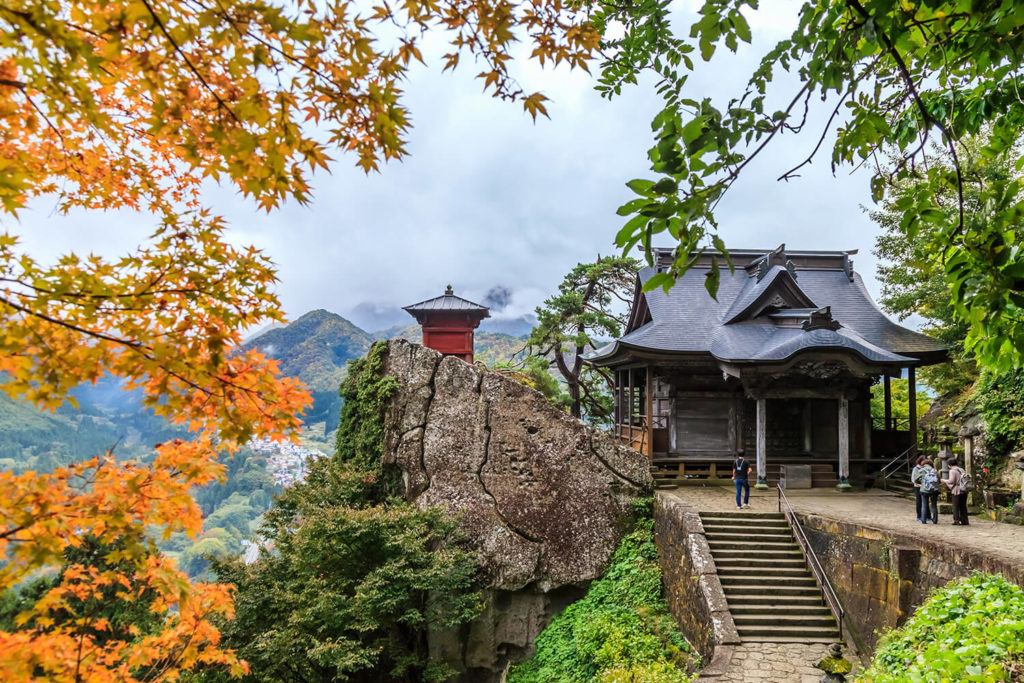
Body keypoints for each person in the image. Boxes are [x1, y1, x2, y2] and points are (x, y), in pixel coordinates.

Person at [942, 457, 970, 526]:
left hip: (957, 490)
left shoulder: (952, 471)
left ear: (950, 464)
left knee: (956, 506)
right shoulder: (961, 469)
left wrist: (944, 480)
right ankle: (965, 520)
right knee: (963, 506)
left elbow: (951, 481)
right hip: (964, 490)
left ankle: (956, 520)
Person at [914, 459, 940, 524]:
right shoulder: (935, 471)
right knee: (934, 505)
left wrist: (922, 482)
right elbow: (939, 480)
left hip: (924, 490)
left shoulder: (921, 470)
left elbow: (915, 479)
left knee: (924, 505)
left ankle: (923, 520)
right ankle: (935, 520)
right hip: (934, 490)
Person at [910, 455, 927, 521]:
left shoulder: (926, 468)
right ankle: (919, 516)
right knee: (919, 501)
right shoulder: (916, 469)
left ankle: (926, 516)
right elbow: (913, 479)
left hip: (925, 486)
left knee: (925, 501)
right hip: (917, 487)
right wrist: (919, 485)